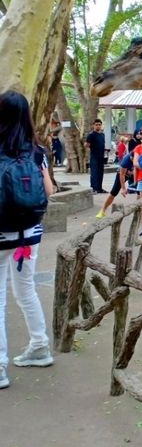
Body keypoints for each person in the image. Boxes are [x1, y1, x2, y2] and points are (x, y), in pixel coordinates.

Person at [0, 90, 55, 389]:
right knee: (26, 290)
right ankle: (40, 346)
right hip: (28, 236)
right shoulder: (36, 151)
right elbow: (49, 191)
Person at [95, 140, 137, 218]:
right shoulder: (126, 160)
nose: (134, 161)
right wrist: (123, 188)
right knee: (114, 191)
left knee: (141, 190)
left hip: (134, 173)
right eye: (132, 159)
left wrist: (135, 182)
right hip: (123, 174)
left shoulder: (140, 157)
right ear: (131, 157)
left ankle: (139, 211)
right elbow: (122, 175)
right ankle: (103, 210)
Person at [85, 118, 106, 193]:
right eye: (96, 125)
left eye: (99, 125)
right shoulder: (91, 135)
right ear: (94, 125)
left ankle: (99, 188)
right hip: (94, 157)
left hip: (101, 157)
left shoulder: (102, 135)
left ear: (101, 126)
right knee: (94, 173)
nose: (98, 126)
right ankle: (94, 188)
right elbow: (86, 145)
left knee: (100, 173)